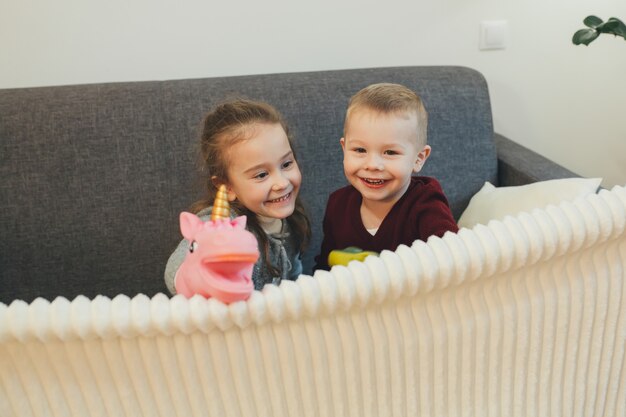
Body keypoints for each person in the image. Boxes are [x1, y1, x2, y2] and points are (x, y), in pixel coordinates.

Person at [164, 98, 311, 294]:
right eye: (261, 175)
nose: (283, 183)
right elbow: (175, 270)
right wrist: (204, 278)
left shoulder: (290, 220)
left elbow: (293, 277)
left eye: (286, 164)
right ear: (227, 187)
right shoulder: (219, 225)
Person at [314, 83, 458, 270]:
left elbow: (453, 256)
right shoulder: (338, 204)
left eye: (390, 152)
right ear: (344, 149)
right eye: (360, 150)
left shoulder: (426, 203)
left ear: (418, 158)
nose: (373, 165)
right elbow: (326, 266)